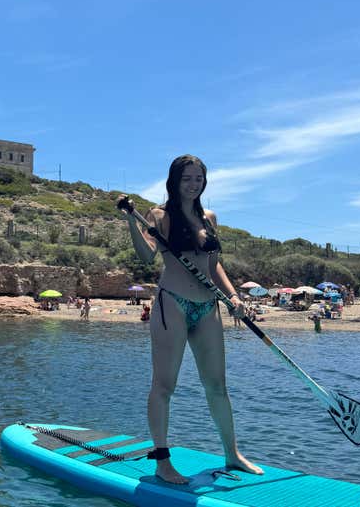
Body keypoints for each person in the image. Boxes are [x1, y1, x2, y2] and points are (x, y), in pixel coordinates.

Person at [119, 154, 263, 484]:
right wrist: (132, 223)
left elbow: (214, 266)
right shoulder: (159, 215)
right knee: (164, 385)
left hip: (208, 307)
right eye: (187, 178)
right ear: (174, 180)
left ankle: (232, 454)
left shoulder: (209, 217)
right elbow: (147, 255)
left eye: (199, 178)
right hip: (173, 304)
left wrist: (235, 296)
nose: (193, 183)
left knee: (217, 386)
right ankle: (162, 462)